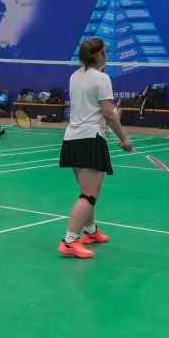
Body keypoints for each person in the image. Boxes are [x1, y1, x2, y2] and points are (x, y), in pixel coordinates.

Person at [58, 37, 133, 259]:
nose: (107, 55)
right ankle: (69, 241)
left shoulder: (74, 76)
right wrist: (124, 139)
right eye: (105, 52)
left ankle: (90, 232)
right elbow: (109, 113)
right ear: (99, 55)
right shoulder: (102, 78)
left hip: (71, 139)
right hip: (90, 139)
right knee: (89, 194)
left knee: (86, 191)